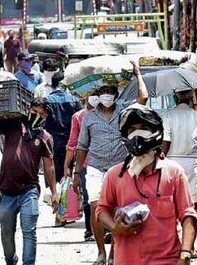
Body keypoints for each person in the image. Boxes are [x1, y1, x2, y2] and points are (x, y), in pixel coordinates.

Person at [96, 103, 197, 264]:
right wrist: (115, 227)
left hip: (166, 260)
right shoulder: (115, 175)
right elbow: (102, 210)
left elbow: (188, 215)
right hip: (127, 260)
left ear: (154, 132)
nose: (137, 134)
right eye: (132, 130)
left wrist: (185, 253)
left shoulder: (174, 172)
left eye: (143, 127)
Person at [73, 61, 148, 265]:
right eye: (103, 92)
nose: (106, 95)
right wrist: (76, 174)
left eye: (110, 91)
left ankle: (115, 251)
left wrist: (138, 74)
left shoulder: (124, 111)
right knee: (96, 207)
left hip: (119, 168)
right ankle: (100, 252)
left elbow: (143, 98)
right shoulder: (88, 117)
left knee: (117, 211)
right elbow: (81, 147)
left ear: (115, 94)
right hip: (95, 167)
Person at [0, 103, 59, 265]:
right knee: (6, 231)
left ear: (45, 118)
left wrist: (54, 192)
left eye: (41, 114)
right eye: (34, 111)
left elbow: (49, 166)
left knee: (29, 231)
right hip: (7, 190)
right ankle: (10, 259)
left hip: (29, 190)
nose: (36, 115)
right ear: (27, 110)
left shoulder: (44, 137)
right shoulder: (11, 125)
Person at [64, 94, 99, 240]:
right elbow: (73, 144)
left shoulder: (113, 115)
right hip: (85, 163)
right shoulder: (79, 117)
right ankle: (90, 230)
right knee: (88, 197)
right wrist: (68, 165)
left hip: (106, 162)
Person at [162, 90, 197, 205]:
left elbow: (166, 140)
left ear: (175, 98)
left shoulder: (168, 115)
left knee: (173, 199)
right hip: (193, 162)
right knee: (192, 200)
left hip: (172, 161)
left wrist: (160, 159)